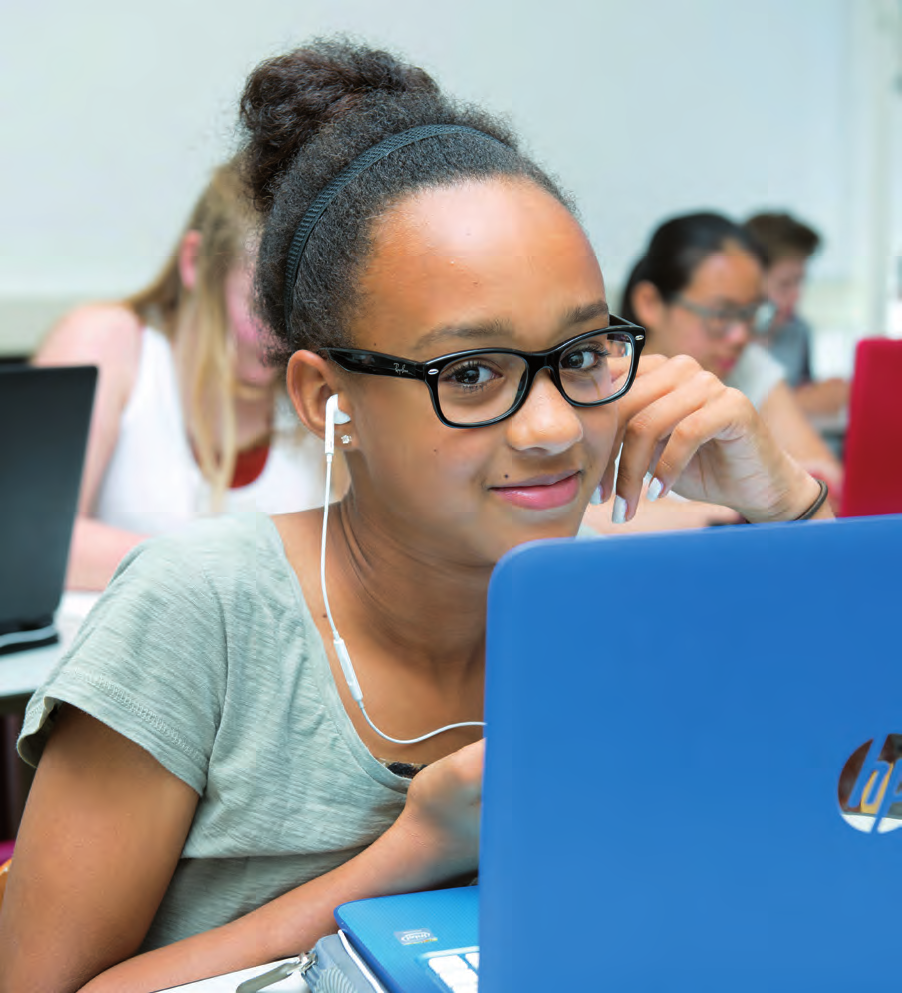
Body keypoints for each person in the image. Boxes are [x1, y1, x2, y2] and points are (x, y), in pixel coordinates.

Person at [0, 41, 833, 993]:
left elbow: (848, 814)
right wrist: (412, 851)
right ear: (324, 399)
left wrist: (787, 505)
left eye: (582, 352)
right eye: (470, 374)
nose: (556, 425)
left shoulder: (620, 593)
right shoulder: (203, 614)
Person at [32, 159, 327, 591]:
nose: (283, 339)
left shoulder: (317, 385)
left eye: (298, 311)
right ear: (194, 261)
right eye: (263, 305)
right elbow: (34, 541)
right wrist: (227, 573)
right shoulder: (110, 344)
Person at [593, 211, 843, 534]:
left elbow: (825, 478)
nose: (739, 336)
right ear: (650, 302)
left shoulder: (745, 363)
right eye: (721, 315)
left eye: (751, 314)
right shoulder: (598, 380)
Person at [743, 211, 850, 418]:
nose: (796, 295)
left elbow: (804, 390)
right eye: (785, 284)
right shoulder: (723, 337)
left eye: (800, 282)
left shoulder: (798, 331)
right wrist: (799, 403)